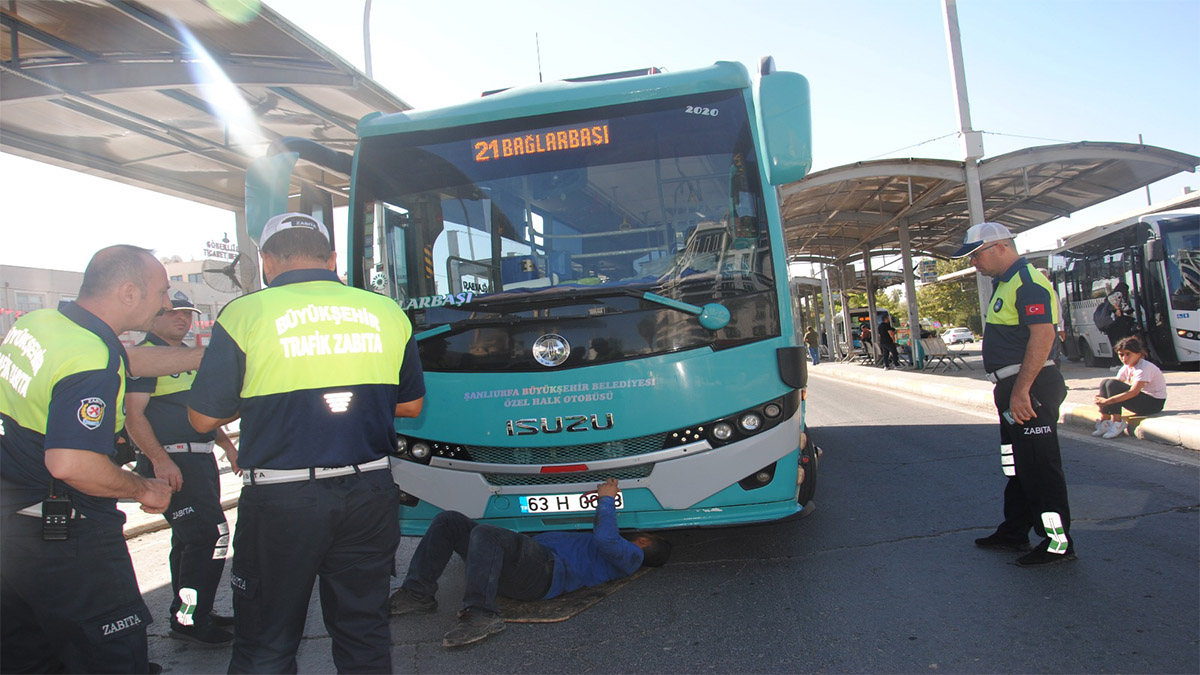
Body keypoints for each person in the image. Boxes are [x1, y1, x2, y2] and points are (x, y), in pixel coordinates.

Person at [188, 212, 425, 673]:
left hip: (282, 497)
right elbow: (411, 405)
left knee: (267, 640)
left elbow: (202, 418)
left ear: (266, 261)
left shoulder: (245, 314)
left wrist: (267, 399)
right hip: (370, 490)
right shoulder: (386, 312)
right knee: (364, 633)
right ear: (331, 259)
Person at [1, 245, 199, 673]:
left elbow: (126, 360)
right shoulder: (90, 358)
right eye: (163, 292)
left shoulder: (42, 324)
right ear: (130, 293)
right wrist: (143, 488)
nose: (167, 303)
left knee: (29, 656)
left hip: (13, 530)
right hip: (65, 536)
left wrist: (213, 356)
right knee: (111, 657)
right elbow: (72, 463)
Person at [388, 479, 671, 648]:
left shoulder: (632, 558)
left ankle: (482, 615)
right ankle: (417, 594)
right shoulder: (619, 554)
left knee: (487, 533)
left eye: (643, 536)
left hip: (544, 572)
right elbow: (600, 537)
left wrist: (607, 500)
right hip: (528, 563)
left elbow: (607, 538)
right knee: (449, 520)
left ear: (645, 542)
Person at [953, 222, 1075, 567]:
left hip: (1030, 386)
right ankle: (1014, 531)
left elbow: (1043, 337)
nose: (974, 262)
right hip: (1011, 387)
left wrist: (1021, 391)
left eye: (976, 254)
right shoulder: (1005, 283)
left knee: (1040, 468)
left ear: (1001, 247)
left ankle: (1057, 543)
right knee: (1016, 463)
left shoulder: (1028, 281)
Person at [127, 290, 240, 646]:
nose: (182, 318)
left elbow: (200, 412)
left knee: (190, 540)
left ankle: (190, 613)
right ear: (154, 317)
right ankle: (190, 619)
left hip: (199, 458)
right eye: (173, 313)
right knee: (211, 535)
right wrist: (160, 460)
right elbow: (133, 416)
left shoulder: (188, 357)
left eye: (187, 313)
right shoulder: (146, 357)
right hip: (172, 461)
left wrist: (227, 446)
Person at [1092, 335, 1167, 439]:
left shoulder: (1144, 367)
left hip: (1153, 403)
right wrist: (1100, 396)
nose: (1124, 358)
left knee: (1112, 385)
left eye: (1128, 354)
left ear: (1138, 354)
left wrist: (1107, 401)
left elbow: (1133, 392)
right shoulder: (1126, 367)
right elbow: (1113, 386)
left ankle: (1118, 422)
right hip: (1141, 400)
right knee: (1106, 382)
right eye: (1121, 355)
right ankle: (1105, 420)